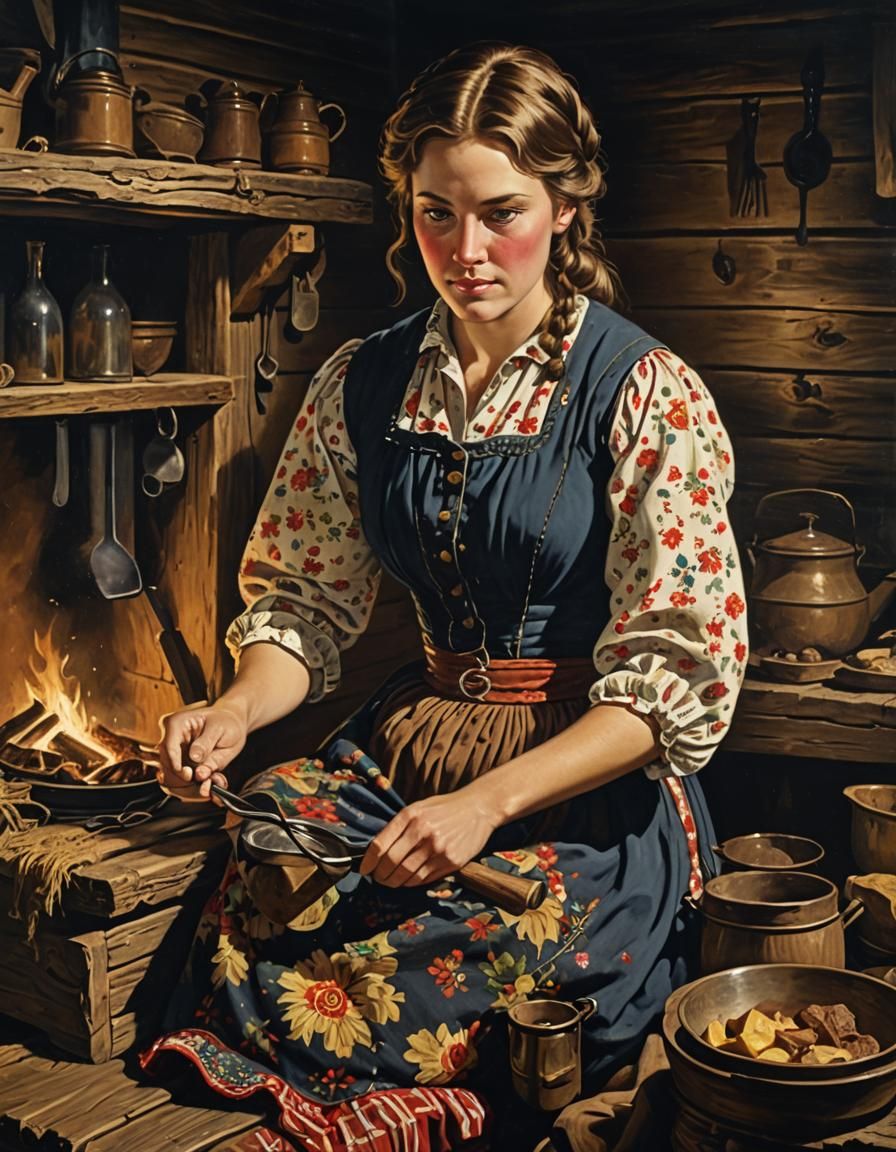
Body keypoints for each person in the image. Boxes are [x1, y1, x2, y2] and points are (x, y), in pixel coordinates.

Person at [144, 41, 748, 1152]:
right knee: (267, 868)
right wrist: (233, 708)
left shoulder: (643, 391)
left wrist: (484, 805)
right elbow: (304, 605)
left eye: (500, 212)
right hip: (411, 741)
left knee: (446, 956)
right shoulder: (361, 383)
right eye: (434, 214)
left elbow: (671, 687)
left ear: (566, 206)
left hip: (579, 783)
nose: (464, 252)